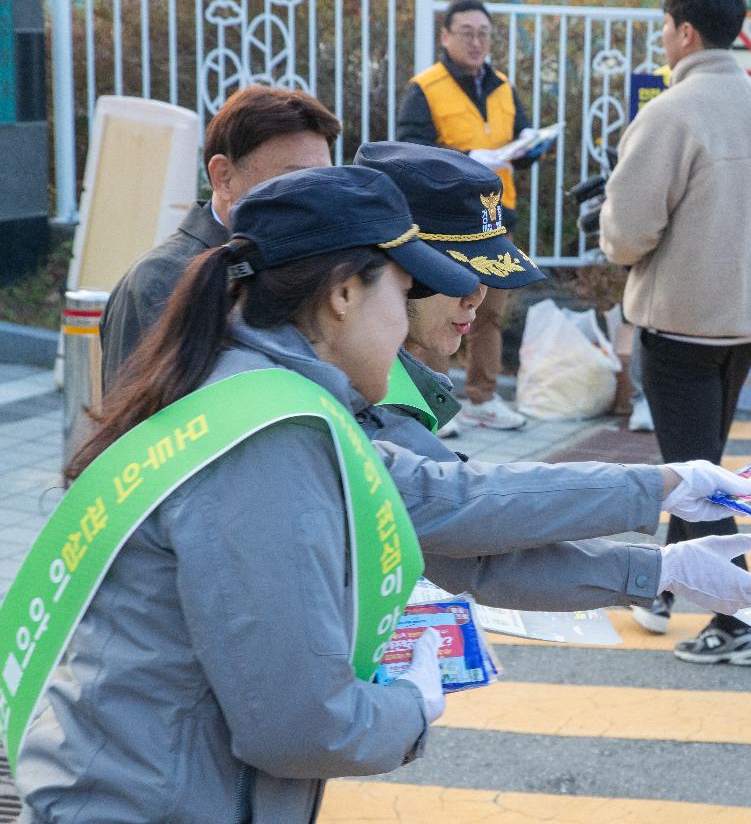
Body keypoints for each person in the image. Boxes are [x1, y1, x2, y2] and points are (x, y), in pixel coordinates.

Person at [18, 165, 478, 819]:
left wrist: (653, 538)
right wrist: (410, 706)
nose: (406, 322)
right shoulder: (268, 433)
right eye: (401, 296)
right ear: (344, 292)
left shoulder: (242, 393)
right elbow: (299, 726)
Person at [350, 140, 751, 618]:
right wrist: (659, 489)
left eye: (484, 275)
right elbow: (458, 506)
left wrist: (662, 569)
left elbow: (466, 552)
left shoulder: (390, 375)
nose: (477, 295)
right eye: (455, 273)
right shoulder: (333, 386)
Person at [600, 0, 751, 666]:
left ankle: (737, 620)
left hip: (679, 319)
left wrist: (611, 233)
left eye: (666, 27)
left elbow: (627, 232)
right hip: (744, 325)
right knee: (700, 463)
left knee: (697, 483)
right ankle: (663, 589)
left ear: (685, 31)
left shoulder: (671, 112)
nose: (664, 39)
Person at [99, 84, 339, 388]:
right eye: (294, 180)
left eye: (323, 182)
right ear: (223, 177)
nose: (313, 200)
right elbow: (134, 423)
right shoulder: (159, 281)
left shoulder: (306, 262)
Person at [396, 0, 538, 436]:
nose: (477, 42)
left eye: (484, 33)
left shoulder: (502, 86)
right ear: (445, 36)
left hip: (496, 219)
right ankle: (433, 401)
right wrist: (466, 157)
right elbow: (410, 152)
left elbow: (522, 140)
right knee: (439, 313)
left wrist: (530, 147)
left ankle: (483, 398)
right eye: (467, 32)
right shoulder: (425, 88)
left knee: (488, 314)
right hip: (445, 225)